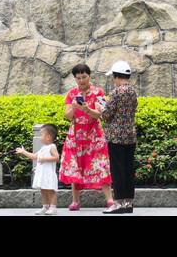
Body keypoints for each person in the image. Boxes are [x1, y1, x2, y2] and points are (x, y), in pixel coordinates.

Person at [58, 63, 113, 210]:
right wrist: (74, 108)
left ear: (89, 76)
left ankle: (110, 200)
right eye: (78, 78)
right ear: (75, 78)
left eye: (84, 77)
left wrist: (87, 109)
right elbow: (67, 116)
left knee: (100, 165)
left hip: (95, 135)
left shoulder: (99, 92)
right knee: (76, 166)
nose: (82, 80)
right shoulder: (71, 94)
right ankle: (75, 202)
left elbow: (102, 113)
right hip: (76, 136)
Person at [99, 60, 139, 214]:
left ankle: (119, 203)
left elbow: (107, 115)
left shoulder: (116, 92)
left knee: (118, 171)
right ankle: (128, 203)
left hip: (116, 137)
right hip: (130, 136)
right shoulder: (133, 91)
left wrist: (101, 108)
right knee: (128, 170)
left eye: (113, 77)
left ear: (116, 76)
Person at [15, 123, 61, 215]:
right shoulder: (43, 148)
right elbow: (34, 157)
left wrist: (44, 159)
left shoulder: (52, 147)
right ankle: (45, 206)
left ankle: (53, 207)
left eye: (41, 135)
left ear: (48, 137)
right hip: (42, 174)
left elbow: (56, 158)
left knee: (51, 190)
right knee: (43, 190)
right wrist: (24, 152)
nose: (40, 137)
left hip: (48, 174)